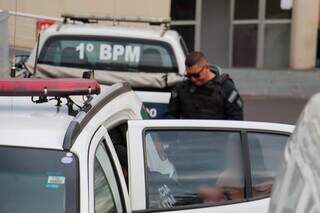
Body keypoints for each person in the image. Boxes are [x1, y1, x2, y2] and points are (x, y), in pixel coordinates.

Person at [165, 51, 243, 120]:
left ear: (206, 67)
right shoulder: (181, 88)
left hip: (217, 136)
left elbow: (236, 120)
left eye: (196, 75)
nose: (193, 79)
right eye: (189, 75)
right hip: (188, 135)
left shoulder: (226, 88)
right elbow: (170, 116)